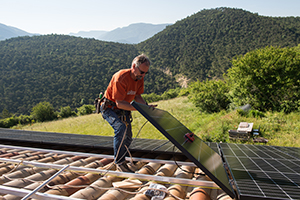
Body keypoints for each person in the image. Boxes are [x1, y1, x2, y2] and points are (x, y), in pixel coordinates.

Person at [100, 54, 157, 172]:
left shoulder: (139, 78)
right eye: (141, 72)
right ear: (133, 67)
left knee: (128, 137)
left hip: (123, 107)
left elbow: (137, 96)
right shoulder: (120, 78)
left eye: (146, 73)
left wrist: (145, 107)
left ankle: (123, 159)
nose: (143, 75)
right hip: (109, 108)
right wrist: (139, 109)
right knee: (120, 129)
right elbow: (119, 103)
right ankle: (119, 162)